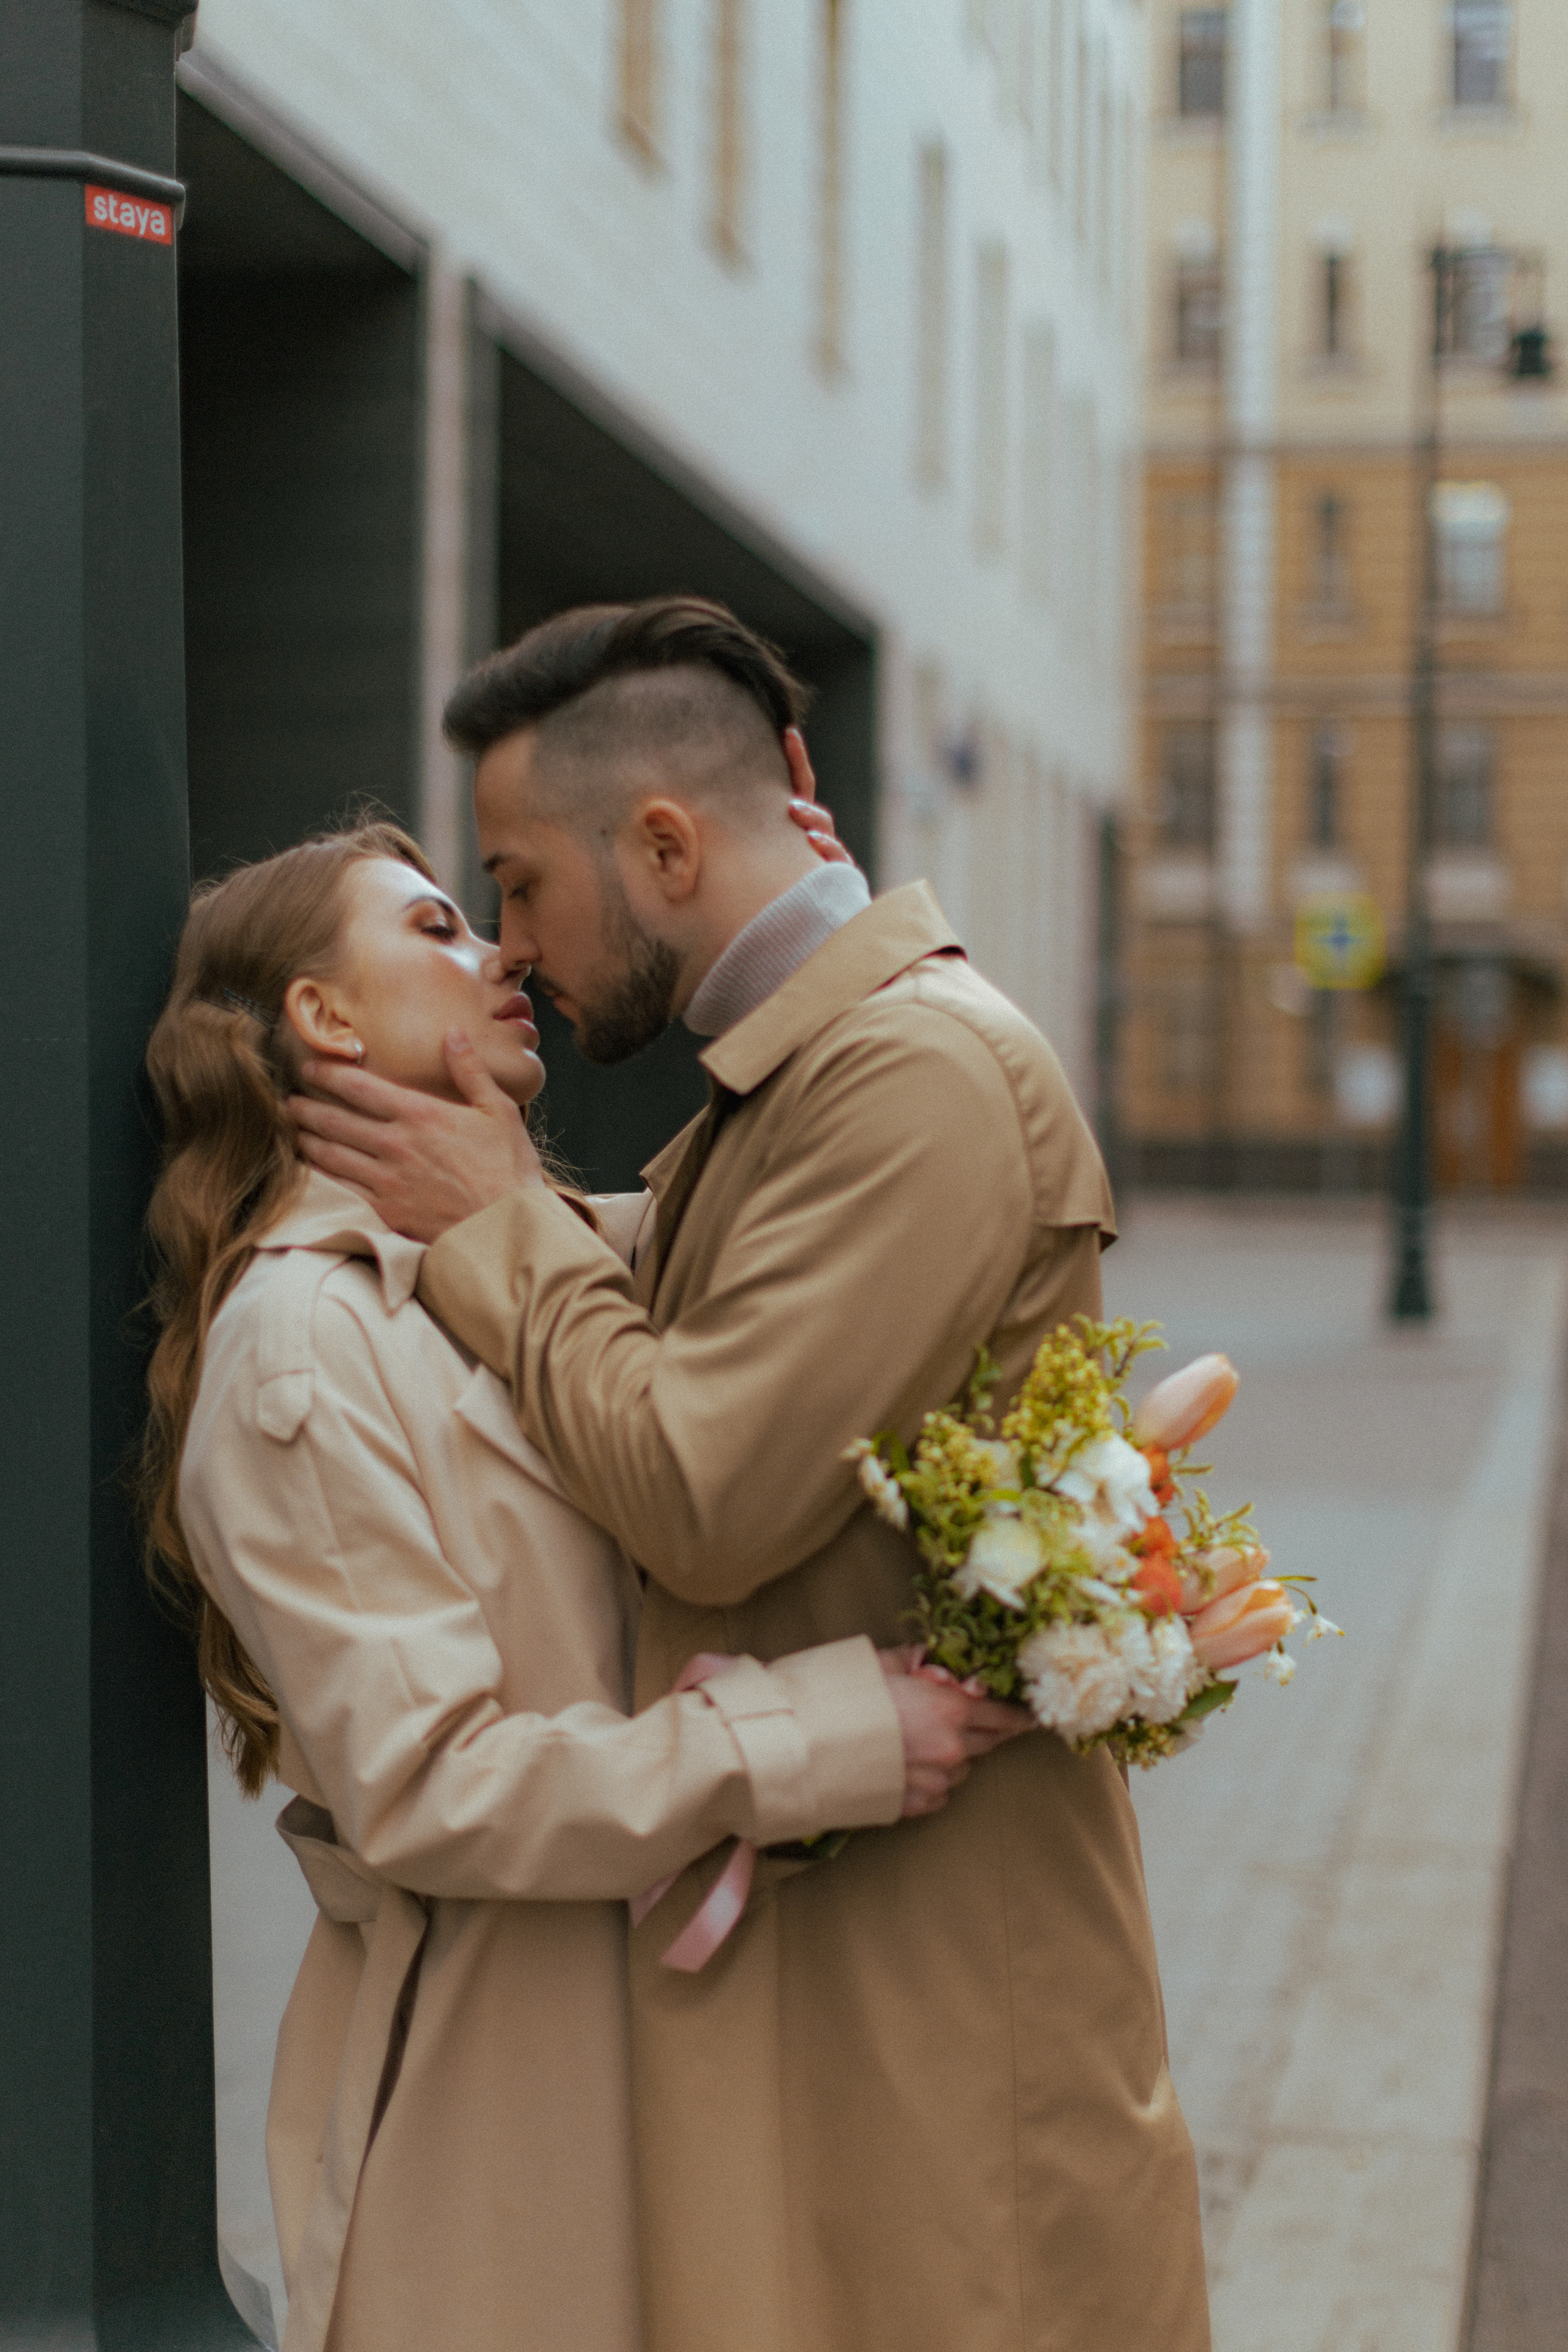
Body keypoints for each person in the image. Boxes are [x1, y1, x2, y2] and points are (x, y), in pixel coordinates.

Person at [292, 598, 1210, 2352]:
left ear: (661, 843)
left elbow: (704, 1493)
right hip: (845, 1968)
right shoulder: (787, 1086)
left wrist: (493, 1219)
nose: (512, 946)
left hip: (937, 2008)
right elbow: (665, 1327)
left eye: (521, 884)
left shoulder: (913, 1076)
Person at [142, 817, 1025, 2352]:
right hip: (503, 2104)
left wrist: (794, 915)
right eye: (435, 928)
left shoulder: (512, 1252)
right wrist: (824, 1738)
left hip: (668, 2046)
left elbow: (765, 1226)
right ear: (322, 1019)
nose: (503, 956)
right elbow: (431, 1781)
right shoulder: (303, 1343)